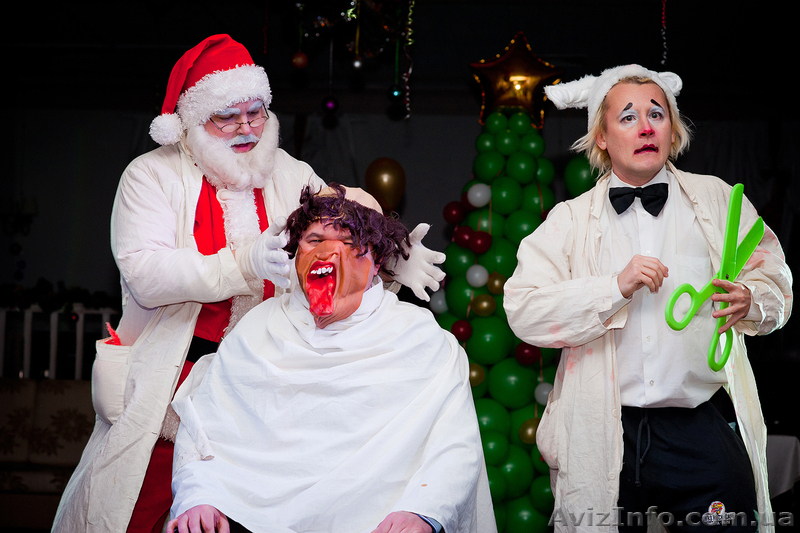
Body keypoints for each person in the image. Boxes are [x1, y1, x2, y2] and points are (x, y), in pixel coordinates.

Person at [52, 35, 445, 533]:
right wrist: (243, 263)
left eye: (255, 113)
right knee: (140, 507)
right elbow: (146, 275)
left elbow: (342, 232)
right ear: (193, 120)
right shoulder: (150, 175)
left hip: (267, 383)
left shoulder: (290, 172)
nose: (246, 128)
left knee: (258, 508)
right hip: (170, 380)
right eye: (227, 117)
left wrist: (390, 256)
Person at [503, 64, 792, 533]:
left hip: (697, 424)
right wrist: (613, 288)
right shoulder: (568, 220)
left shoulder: (718, 200)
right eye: (628, 117)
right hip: (603, 426)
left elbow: (776, 279)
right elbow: (524, 310)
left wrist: (751, 299)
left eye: (657, 114)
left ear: (672, 130)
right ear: (601, 137)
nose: (645, 127)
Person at [166, 184, 494, 533]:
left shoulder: (422, 340)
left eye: (350, 242)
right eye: (315, 239)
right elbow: (204, 429)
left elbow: (454, 446)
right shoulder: (257, 330)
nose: (329, 254)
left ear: (377, 260)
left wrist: (421, 513)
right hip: (248, 519)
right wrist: (199, 497)